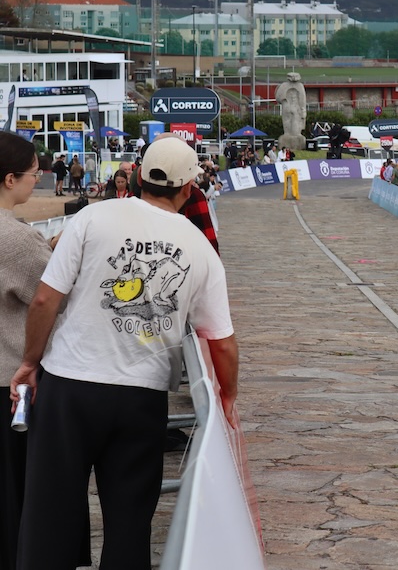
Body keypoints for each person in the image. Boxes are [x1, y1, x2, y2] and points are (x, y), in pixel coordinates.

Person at [10, 136, 240, 569]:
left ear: (137, 175)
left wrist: (28, 363)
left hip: (70, 386)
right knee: (130, 522)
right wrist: (226, 396)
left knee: (50, 517)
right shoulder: (200, 249)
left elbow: (45, 300)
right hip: (142, 394)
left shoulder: (93, 217)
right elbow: (222, 341)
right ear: (189, 187)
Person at [0, 133, 65, 570]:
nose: (37, 180)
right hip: (11, 384)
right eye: (32, 174)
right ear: (9, 179)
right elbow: (53, 297)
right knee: (15, 500)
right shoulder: (18, 240)